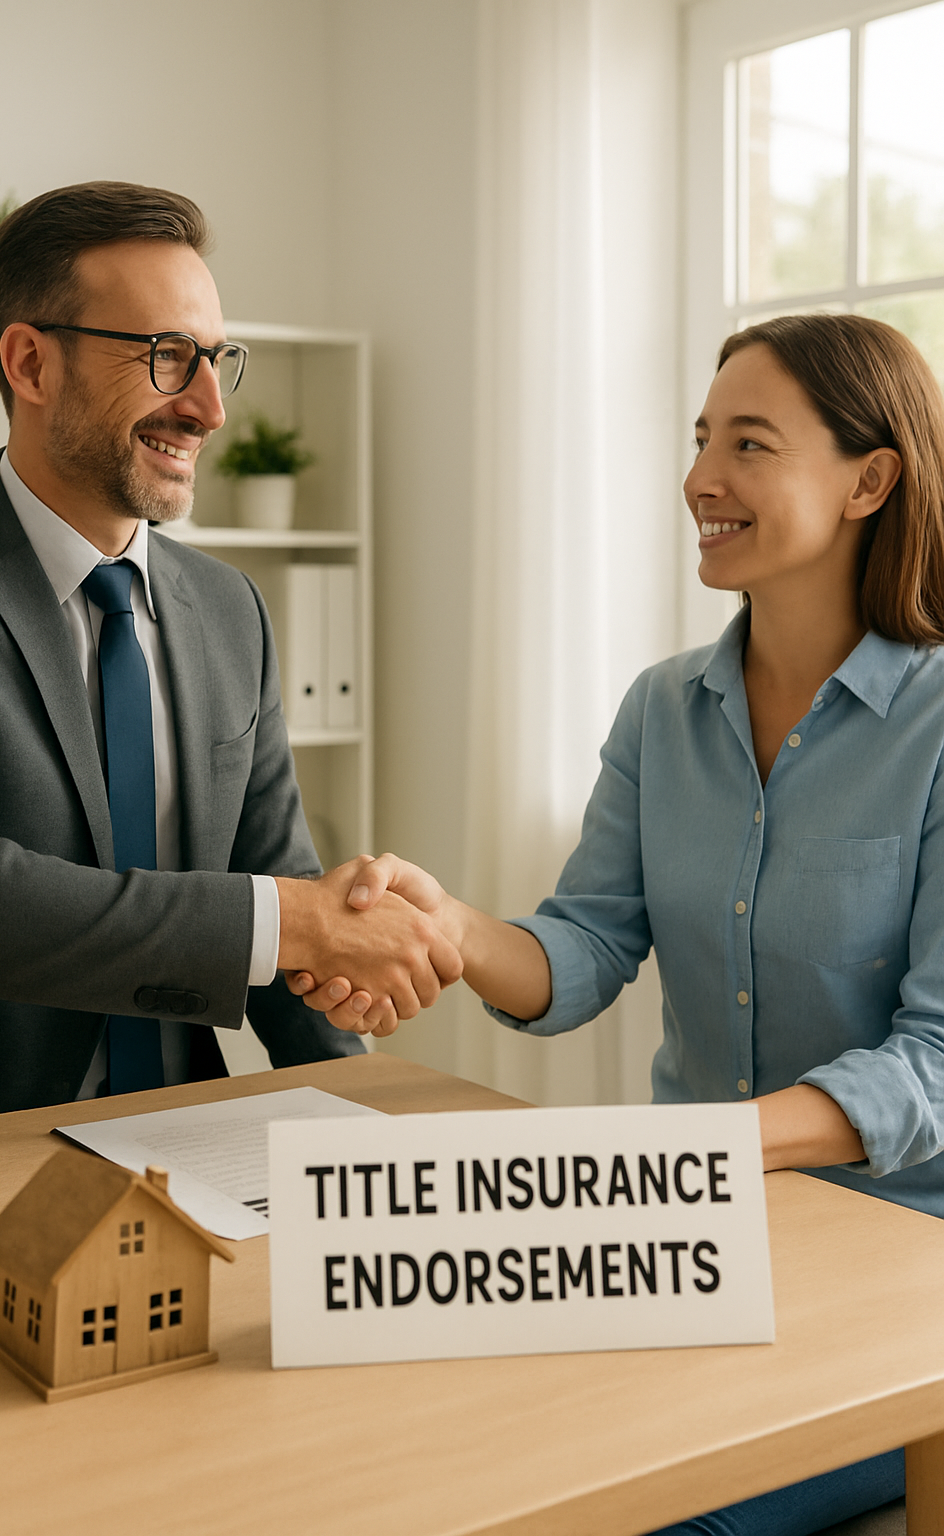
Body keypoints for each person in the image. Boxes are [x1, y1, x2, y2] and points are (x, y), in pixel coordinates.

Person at [296, 312, 944, 1533]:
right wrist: (451, 925)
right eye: (701, 439)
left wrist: (691, 1157)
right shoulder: (664, 709)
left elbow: (937, 1062)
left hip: (901, 1260)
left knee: (646, 1504)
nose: (700, 478)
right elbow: (585, 946)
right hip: (691, 1235)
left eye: (749, 444)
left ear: (871, 479)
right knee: (431, 1445)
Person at [0, 180, 460, 1123]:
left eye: (216, 360)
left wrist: (364, 1102)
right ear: (30, 363)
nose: (210, 408)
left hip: (191, 1141)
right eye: (169, 357)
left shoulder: (228, 610)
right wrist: (296, 924)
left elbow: (276, 885)